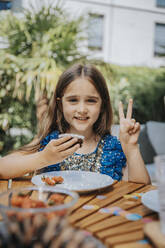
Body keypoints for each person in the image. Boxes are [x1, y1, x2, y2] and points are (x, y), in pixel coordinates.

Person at [0, 63, 150, 184]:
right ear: (60, 104)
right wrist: (44, 158)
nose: (82, 109)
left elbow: (140, 189)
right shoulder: (49, 143)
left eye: (91, 101)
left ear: (102, 105)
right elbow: (2, 168)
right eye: (73, 100)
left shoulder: (114, 147)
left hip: (99, 219)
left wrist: (131, 148)